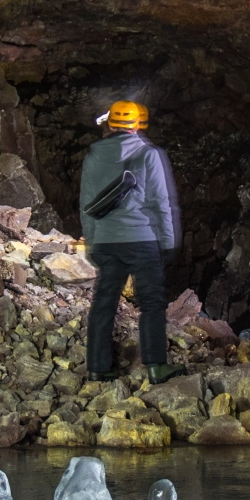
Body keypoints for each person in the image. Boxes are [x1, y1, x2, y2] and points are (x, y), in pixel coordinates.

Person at [78, 100, 181, 379]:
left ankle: (97, 369)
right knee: (151, 303)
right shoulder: (149, 154)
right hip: (142, 238)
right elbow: (161, 202)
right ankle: (157, 366)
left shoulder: (93, 157)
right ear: (137, 124)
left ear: (110, 123)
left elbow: (86, 204)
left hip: (107, 240)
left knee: (103, 303)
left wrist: (91, 242)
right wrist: (168, 241)